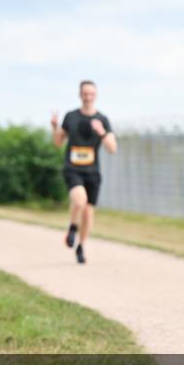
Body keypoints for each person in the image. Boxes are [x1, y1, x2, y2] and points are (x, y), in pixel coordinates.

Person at [51, 80, 116, 264]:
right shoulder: (71, 117)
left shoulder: (102, 119)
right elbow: (58, 143)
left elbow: (112, 148)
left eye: (91, 94)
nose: (88, 97)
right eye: (85, 93)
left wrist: (102, 132)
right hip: (73, 169)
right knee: (80, 200)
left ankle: (81, 246)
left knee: (88, 212)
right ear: (80, 95)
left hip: (92, 172)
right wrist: (54, 127)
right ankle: (72, 227)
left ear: (95, 96)